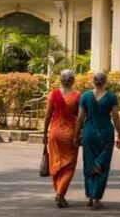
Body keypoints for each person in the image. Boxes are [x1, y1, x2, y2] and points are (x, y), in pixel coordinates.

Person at [73, 71, 120, 210]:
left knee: (89, 164)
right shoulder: (111, 97)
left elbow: (80, 118)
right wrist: (119, 133)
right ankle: (96, 198)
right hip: (105, 135)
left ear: (93, 81)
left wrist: (76, 135)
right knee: (102, 165)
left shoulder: (85, 96)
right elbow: (116, 117)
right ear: (105, 81)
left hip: (89, 134)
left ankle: (90, 195)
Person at [43, 69, 81, 208]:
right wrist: (78, 134)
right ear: (72, 80)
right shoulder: (77, 95)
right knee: (69, 165)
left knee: (56, 164)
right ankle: (60, 193)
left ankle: (59, 193)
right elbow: (80, 117)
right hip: (69, 134)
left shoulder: (53, 94)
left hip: (54, 133)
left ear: (60, 80)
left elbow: (47, 116)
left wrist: (44, 134)